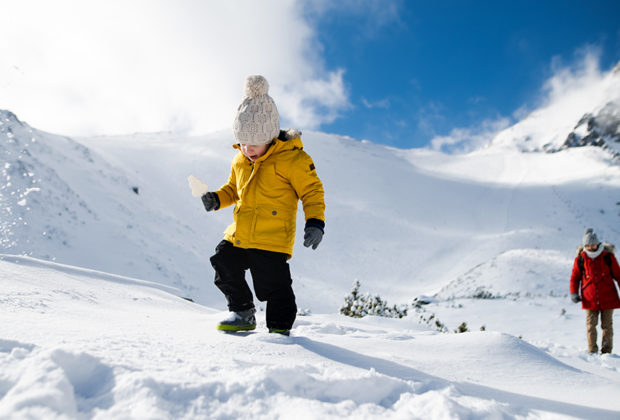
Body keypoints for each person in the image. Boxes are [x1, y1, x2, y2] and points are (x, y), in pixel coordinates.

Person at [200, 75, 325, 336]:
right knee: (223, 262)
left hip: (272, 238)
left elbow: (312, 191)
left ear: (268, 136)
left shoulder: (293, 160)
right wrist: (217, 199)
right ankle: (243, 312)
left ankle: (279, 329)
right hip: (241, 233)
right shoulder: (240, 160)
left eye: (253, 143)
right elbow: (234, 189)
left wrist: (315, 222)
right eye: (242, 143)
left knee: (274, 286)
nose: (247, 149)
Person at [570, 228, 620, 353]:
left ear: (597, 244)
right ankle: (592, 350)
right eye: (587, 245)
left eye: (592, 244)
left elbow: (618, 275)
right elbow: (575, 277)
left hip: (608, 297)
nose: (590, 247)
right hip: (589, 298)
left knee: (607, 326)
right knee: (590, 325)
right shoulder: (581, 258)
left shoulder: (607, 256)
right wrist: (574, 292)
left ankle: (606, 351)